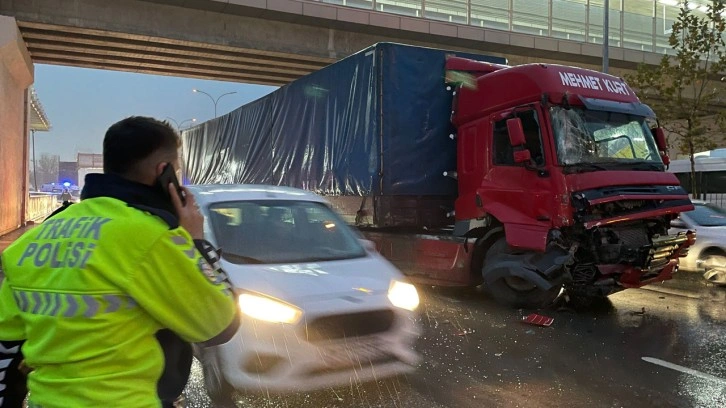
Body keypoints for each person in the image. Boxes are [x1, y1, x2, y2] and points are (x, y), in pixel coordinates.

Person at [0, 116, 240, 408]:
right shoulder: (151, 237)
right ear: (164, 172)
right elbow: (219, 325)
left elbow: (7, 345)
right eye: (175, 170)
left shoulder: (31, 242)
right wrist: (198, 242)